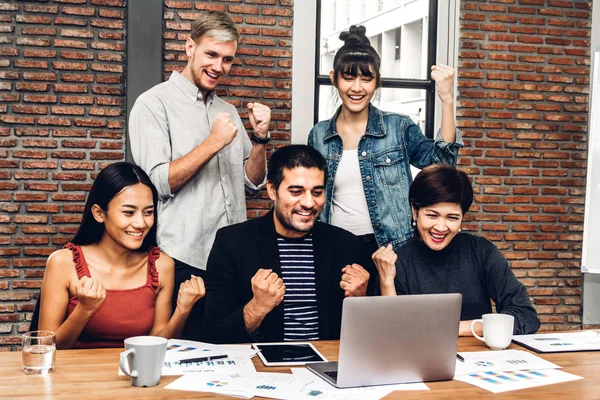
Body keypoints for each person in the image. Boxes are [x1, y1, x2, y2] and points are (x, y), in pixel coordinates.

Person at [128, 11, 271, 339]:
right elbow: (159, 183)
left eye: (228, 59)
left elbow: (252, 184)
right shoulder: (153, 105)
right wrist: (213, 143)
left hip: (233, 260)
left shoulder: (228, 110)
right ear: (189, 47)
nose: (218, 67)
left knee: (231, 352)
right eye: (211, 54)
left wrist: (261, 139)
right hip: (184, 259)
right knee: (184, 357)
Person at [307, 25, 463, 291]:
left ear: (377, 81)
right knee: (343, 326)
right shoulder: (319, 135)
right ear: (334, 78)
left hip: (392, 249)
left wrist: (447, 100)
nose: (357, 88)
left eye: (366, 79)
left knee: (392, 326)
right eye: (348, 78)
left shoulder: (398, 127)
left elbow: (442, 163)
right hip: (336, 249)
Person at [202, 145, 370, 344]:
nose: (309, 203)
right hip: (262, 368)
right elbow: (213, 335)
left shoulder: (345, 244)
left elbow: (366, 339)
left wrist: (360, 301)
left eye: (317, 192)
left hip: (326, 364)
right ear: (272, 190)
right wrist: (256, 307)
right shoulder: (232, 243)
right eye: (296, 191)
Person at [38, 162, 205, 349]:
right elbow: (46, 350)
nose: (141, 223)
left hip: (136, 376)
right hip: (75, 376)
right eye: (128, 212)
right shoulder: (63, 262)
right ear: (99, 214)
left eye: (148, 212)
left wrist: (182, 311)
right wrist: (84, 310)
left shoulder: (161, 265)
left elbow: (157, 346)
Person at [374, 164, 541, 335]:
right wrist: (387, 282)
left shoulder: (481, 251)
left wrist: (453, 328)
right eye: (432, 215)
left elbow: (525, 315)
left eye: (452, 218)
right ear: (415, 212)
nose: (440, 227)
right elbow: (391, 335)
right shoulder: (396, 262)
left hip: (478, 358)